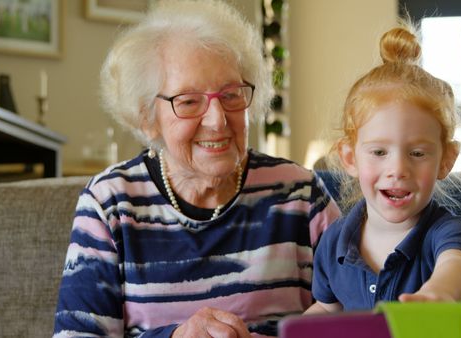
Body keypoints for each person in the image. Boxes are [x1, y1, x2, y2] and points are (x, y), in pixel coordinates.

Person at [52, 0, 341, 336]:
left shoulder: (300, 193)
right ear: (147, 118)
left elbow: (361, 310)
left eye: (231, 95)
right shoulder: (111, 202)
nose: (218, 120)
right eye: (189, 101)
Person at [305, 21, 461, 314]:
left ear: (446, 161)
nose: (398, 169)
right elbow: (326, 311)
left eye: (416, 153)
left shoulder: (449, 233)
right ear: (350, 158)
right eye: (378, 152)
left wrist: (437, 294)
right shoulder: (335, 240)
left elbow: (455, 268)